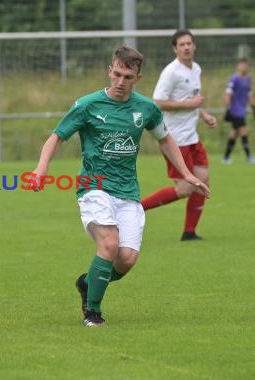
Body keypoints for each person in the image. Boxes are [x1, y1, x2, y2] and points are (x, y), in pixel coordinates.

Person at [30, 45, 210, 327]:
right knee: (110, 243)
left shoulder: (146, 108)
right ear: (109, 71)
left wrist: (186, 173)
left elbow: (165, 139)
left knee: (126, 259)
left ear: (137, 78)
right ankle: (93, 312)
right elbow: (56, 137)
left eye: (127, 77)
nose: (120, 82)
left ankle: (89, 282)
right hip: (94, 186)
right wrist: (42, 168)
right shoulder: (88, 105)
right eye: (117, 74)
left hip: (127, 191)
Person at [141, 30, 217, 241]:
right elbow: (157, 101)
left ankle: (189, 232)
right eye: (181, 44)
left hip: (192, 136)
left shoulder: (196, 69)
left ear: (194, 46)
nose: (186, 47)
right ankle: (138, 208)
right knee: (185, 189)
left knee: (202, 183)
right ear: (175, 49)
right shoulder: (171, 72)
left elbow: (192, 100)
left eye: (189, 43)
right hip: (175, 139)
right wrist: (189, 105)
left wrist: (204, 114)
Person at [222, 58, 255, 164]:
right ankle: (249, 157)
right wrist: (228, 108)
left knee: (235, 133)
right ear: (238, 66)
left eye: (246, 65)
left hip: (242, 110)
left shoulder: (248, 79)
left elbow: (249, 95)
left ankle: (226, 157)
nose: (244, 67)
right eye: (242, 65)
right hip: (235, 111)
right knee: (244, 131)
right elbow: (228, 94)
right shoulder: (234, 79)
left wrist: (253, 105)